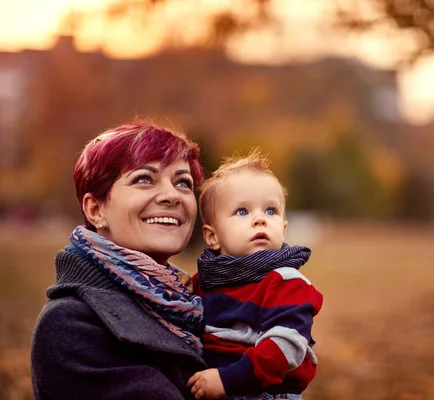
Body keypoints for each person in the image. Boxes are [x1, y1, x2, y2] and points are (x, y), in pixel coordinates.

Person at [30, 122, 208, 400]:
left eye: (183, 183)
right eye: (144, 179)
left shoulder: (195, 306)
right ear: (95, 210)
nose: (173, 195)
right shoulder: (70, 324)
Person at [187, 149, 323, 400]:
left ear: (283, 228)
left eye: (270, 211)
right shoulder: (207, 280)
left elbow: (285, 347)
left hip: (267, 391)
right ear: (212, 236)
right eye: (242, 211)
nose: (260, 219)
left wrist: (228, 380)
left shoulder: (285, 282)